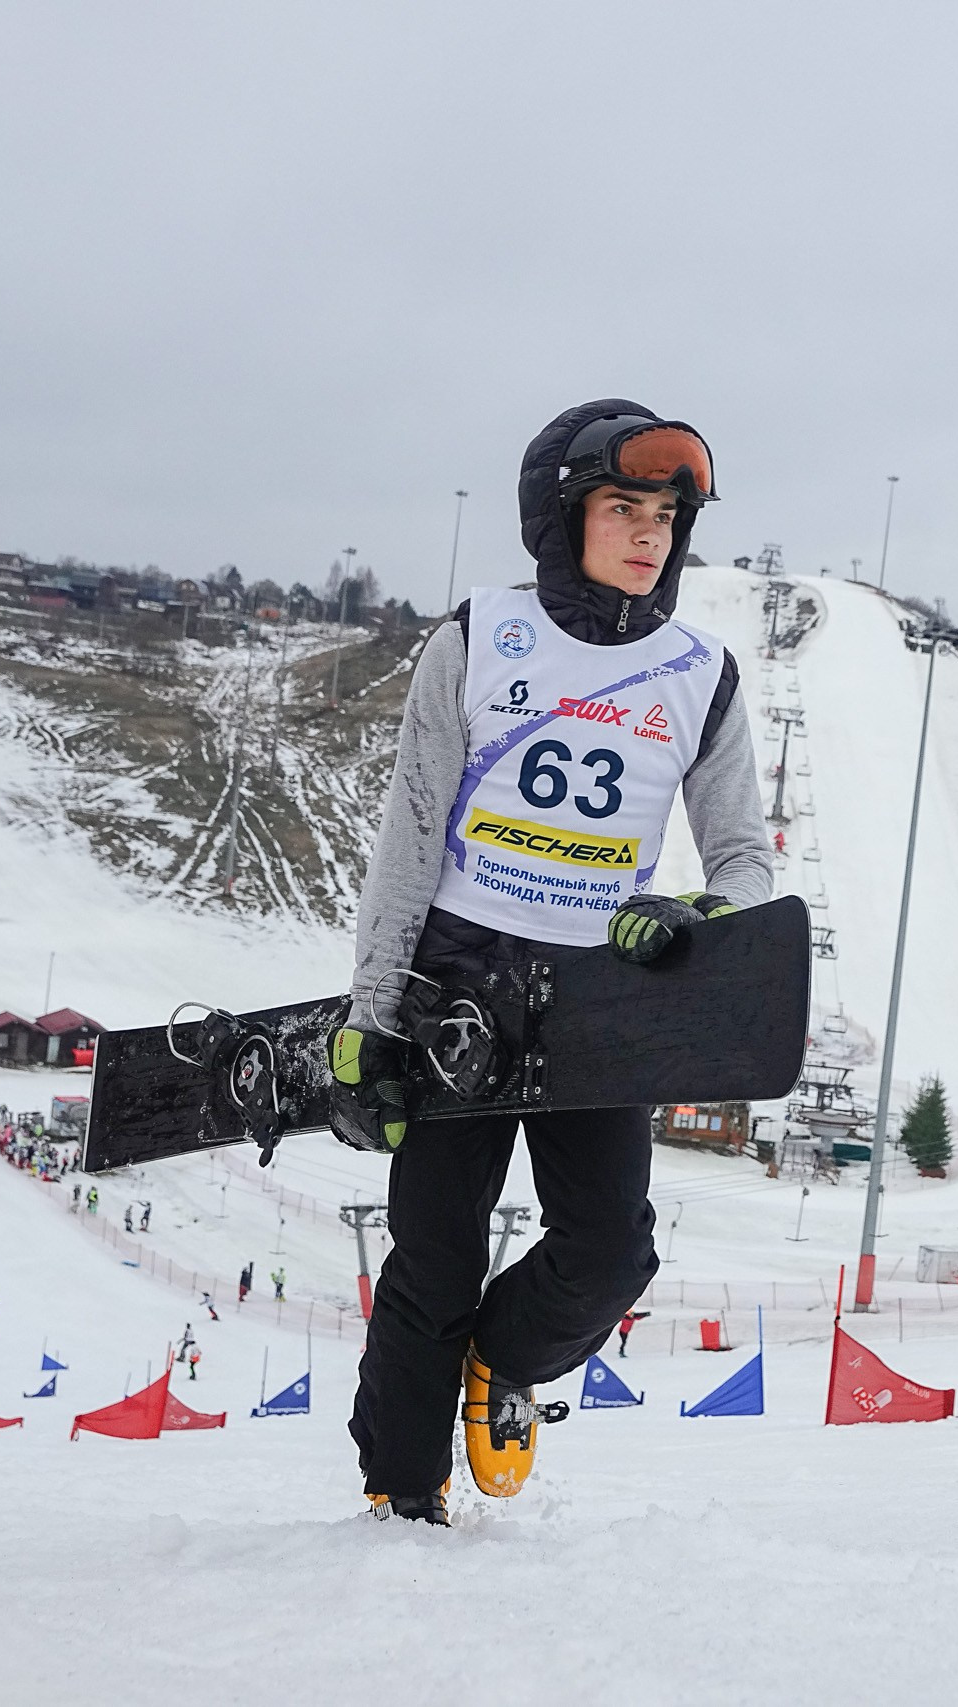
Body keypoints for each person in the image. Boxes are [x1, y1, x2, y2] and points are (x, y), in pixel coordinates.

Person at [332, 403, 771, 1527]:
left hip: (601, 998)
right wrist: (371, 1013)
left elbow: (741, 858)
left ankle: (504, 1359)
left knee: (611, 1250)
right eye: (624, 508)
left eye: (666, 516)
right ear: (563, 515)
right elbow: (412, 828)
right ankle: (403, 1490)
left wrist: (701, 923)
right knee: (432, 1253)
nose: (648, 535)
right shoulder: (481, 637)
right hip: (456, 986)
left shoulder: (700, 674)